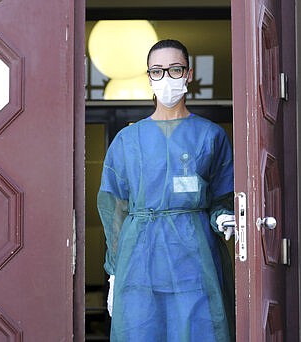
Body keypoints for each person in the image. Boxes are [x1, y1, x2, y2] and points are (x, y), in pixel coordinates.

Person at [97, 39, 235, 342]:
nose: (166, 78)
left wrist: (224, 217)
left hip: (194, 258)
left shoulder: (211, 136)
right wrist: (114, 272)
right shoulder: (127, 139)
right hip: (139, 260)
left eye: (175, 69)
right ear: (149, 77)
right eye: (157, 71)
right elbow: (114, 209)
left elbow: (223, 197)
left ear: (188, 74)